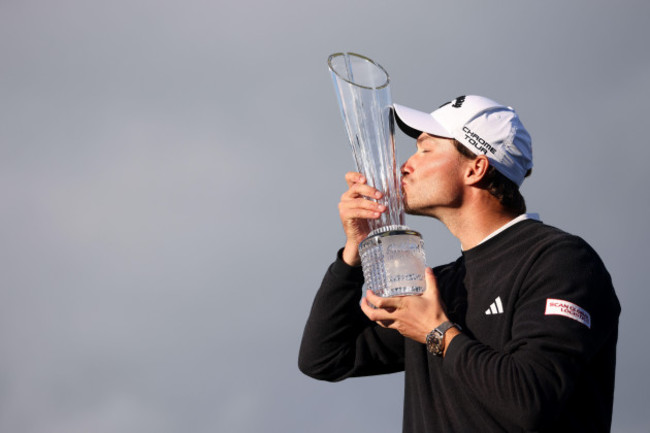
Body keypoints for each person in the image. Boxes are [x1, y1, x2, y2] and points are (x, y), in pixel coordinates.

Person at [298, 95, 620, 432]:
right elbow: (324, 357)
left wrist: (436, 332)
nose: (407, 165)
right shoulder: (444, 284)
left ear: (475, 168)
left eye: (425, 150)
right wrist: (355, 250)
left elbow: (531, 401)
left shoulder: (560, 261)